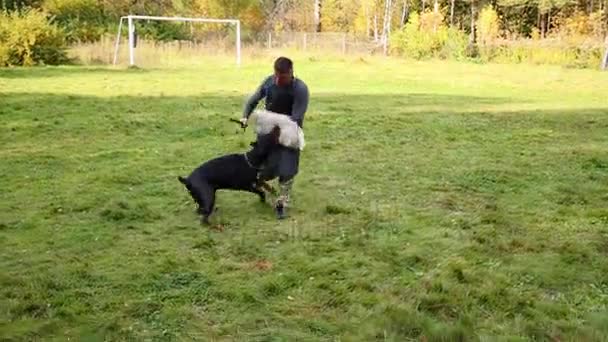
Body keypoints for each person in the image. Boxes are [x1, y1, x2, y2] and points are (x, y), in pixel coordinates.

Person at [240, 56, 309, 219]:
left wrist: (280, 132)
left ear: (291, 73)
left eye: (282, 77)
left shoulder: (300, 89)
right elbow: (253, 100)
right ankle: (262, 187)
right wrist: (245, 117)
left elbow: (296, 117)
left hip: (289, 134)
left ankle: (282, 202)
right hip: (267, 130)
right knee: (263, 168)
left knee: (287, 167)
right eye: (276, 75)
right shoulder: (269, 82)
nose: (277, 79)